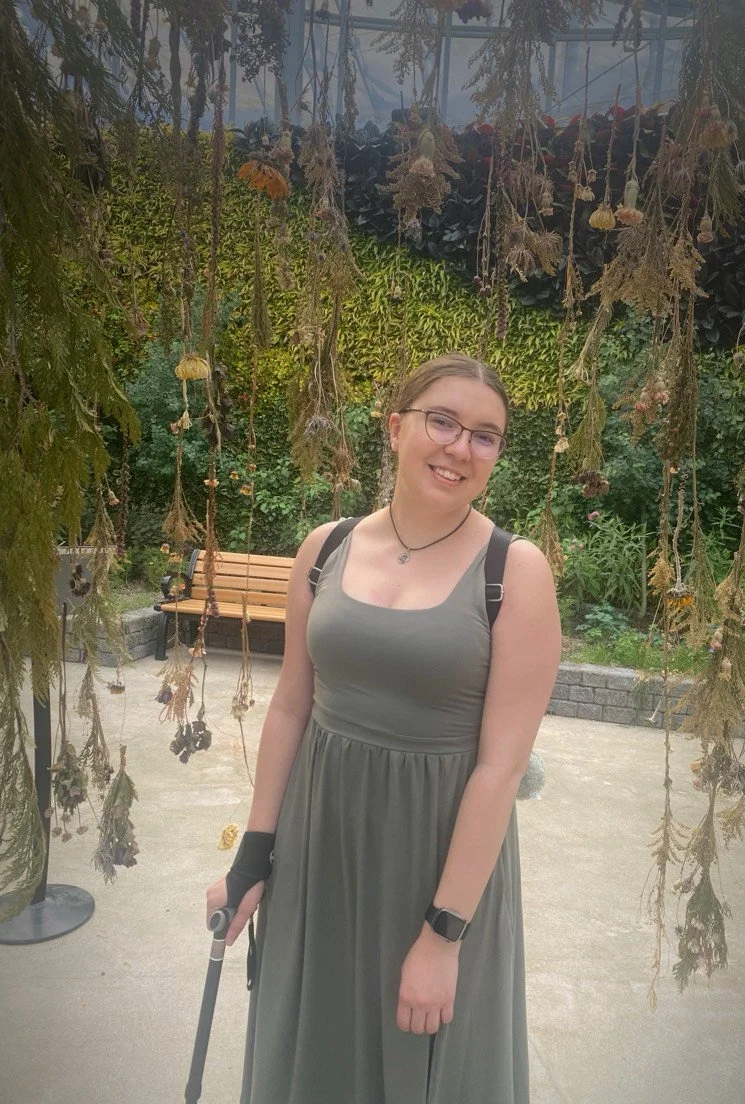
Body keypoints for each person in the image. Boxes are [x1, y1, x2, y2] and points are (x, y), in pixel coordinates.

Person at [206, 353, 561, 1104]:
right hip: (317, 852)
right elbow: (292, 708)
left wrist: (443, 935)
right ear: (395, 428)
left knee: (421, 1062)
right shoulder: (325, 548)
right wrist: (253, 859)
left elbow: (500, 768)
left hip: (436, 864)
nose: (460, 447)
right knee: (313, 1047)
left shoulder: (514, 571)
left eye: (485, 435)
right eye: (442, 421)